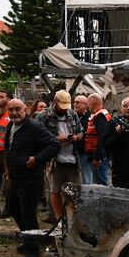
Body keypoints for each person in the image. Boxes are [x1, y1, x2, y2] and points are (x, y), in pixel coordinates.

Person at [4, 99, 60, 257]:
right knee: (13, 209)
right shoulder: (11, 126)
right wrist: (7, 169)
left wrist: (37, 159)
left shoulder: (34, 127)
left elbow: (54, 144)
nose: (14, 112)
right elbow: (9, 148)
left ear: (25, 109)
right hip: (14, 177)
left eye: (17, 109)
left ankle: (33, 252)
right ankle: (30, 239)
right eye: (11, 109)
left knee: (28, 215)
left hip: (30, 178)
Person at [36, 91, 83, 220]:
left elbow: (80, 132)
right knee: (55, 190)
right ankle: (58, 219)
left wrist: (75, 137)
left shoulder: (71, 113)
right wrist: (57, 139)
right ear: (55, 103)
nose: (64, 110)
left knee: (76, 191)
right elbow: (38, 138)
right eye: (62, 106)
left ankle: (73, 217)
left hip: (72, 159)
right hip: (54, 160)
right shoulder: (43, 116)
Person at [84, 93, 111, 185]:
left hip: (99, 157)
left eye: (88, 102)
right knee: (97, 182)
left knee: (100, 184)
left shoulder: (100, 116)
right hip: (98, 155)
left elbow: (102, 137)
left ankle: (103, 199)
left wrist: (98, 157)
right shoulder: (98, 115)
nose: (87, 105)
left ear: (92, 102)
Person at [73, 95, 91, 184]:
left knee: (86, 177)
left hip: (84, 151)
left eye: (78, 102)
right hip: (71, 151)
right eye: (74, 102)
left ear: (86, 105)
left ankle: (88, 196)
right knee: (73, 177)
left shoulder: (90, 118)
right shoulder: (71, 116)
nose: (75, 104)